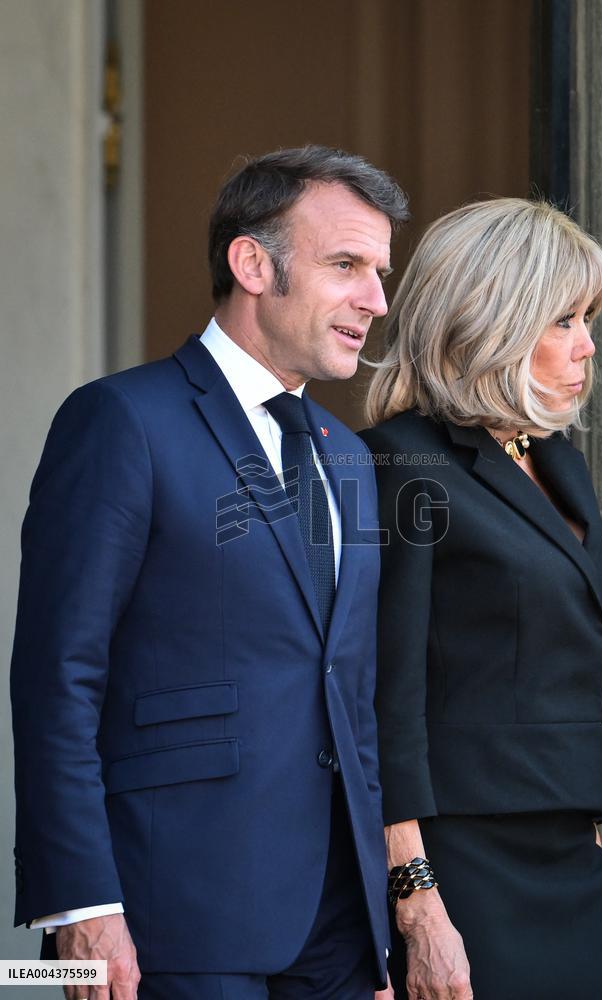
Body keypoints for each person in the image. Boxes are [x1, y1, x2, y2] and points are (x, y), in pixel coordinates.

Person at [11, 145, 409, 1000]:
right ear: (252, 263)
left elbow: (351, 691)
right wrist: (81, 899)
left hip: (336, 928)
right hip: (172, 919)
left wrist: (381, 920)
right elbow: (58, 677)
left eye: (380, 272)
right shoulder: (121, 421)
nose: (376, 300)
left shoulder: (347, 458)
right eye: (347, 265)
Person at [360, 198, 602, 1000]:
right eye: (563, 320)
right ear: (490, 319)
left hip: (568, 850)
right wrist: (416, 902)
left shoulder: (559, 464)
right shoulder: (400, 463)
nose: (587, 346)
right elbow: (384, 699)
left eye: (588, 318)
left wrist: (585, 821)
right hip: (462, 862)